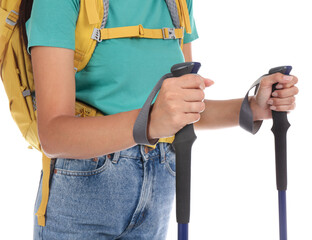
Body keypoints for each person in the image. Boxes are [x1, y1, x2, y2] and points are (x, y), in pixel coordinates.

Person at [18, 0, 299, 239]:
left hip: (161, 178)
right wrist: (152, 120)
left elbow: (181, 110)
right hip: (84, 187)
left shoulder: (174, 3)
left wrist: (253, 107)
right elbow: (53, 135)